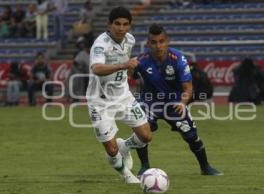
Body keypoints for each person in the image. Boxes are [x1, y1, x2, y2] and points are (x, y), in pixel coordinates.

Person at [133, 24, 223, 176]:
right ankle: (145, 166)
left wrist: (182, 103)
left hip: (174, 103)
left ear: (168, 41)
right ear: (148, 44)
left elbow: (188, 89)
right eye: (153, 42)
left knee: (191, 135)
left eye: (161, 41)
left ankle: (205, 167)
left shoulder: (179, 59)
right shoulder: (140, 61)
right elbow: (131, 78)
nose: (158, 46)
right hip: (149, 102)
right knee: (142, 131)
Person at [86, 7, 152, 184]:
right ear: (109, 24)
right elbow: (96, 68)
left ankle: (125, 146)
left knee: (146, 136)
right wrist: (123, 65)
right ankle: (126, 174)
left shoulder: (129, 39)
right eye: (117, 24)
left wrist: (129, 72)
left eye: (125, 24)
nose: (121, 28)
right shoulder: (100, 44)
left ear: (129, 26)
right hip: (100, 101)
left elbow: (126, 65)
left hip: (123, 96)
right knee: (110, 147)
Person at [66, 36, 90, 102]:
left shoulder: (86, 53)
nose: (81, 45)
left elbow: (87, 65)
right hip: (77, 71)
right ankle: (72, 97)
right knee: (71, 82)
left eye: (82, 43)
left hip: (85, 73)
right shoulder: (79, 53)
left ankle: (75, 98)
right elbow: (75, 63)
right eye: (80, 44)